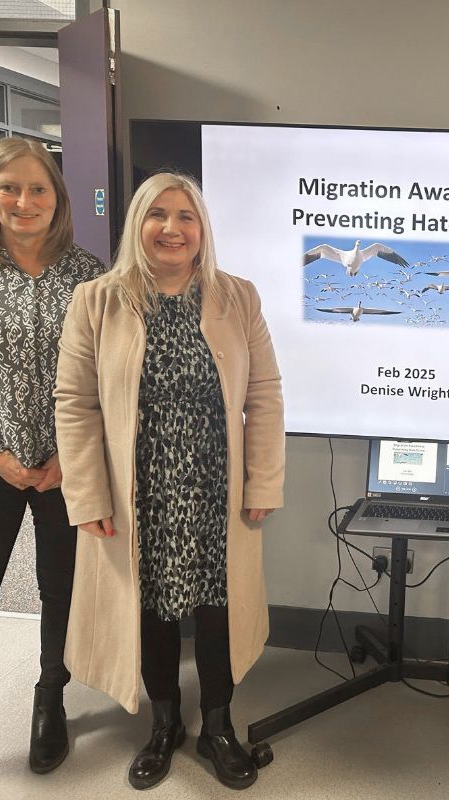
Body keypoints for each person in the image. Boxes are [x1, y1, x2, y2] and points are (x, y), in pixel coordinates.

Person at [53, 172, 284, 791]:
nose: (172, 228)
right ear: (137, 225)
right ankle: (163, 724)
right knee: (149, 609)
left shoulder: (238, 297)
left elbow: (263, 393)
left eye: (186, 216)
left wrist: (262, 480)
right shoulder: (97, 300)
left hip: (217, 491)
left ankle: (217, 724)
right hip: (138, 494)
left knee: (217, 609)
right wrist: (87, 495)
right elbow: (73, 402)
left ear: (202, 228)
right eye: (158, 214)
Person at [0, 137, 104, 800]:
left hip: (68, 466)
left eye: (37, 189)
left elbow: (102, 374)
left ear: (57, 197)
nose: (23, 202)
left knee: (62, 593)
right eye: (8, 188)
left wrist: (67, 455)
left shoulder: (87, 275)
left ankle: (50, 702)